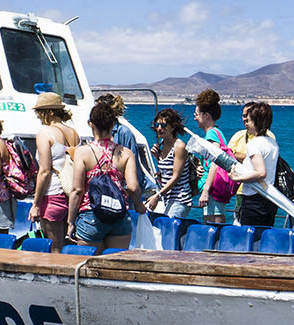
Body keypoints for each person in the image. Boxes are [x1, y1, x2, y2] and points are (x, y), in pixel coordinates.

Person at [67, 99, 141, 251]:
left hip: (91, 215)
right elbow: (133, 187)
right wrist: (139, 205)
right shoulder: (126, 154)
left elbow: (77, 190)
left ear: (90, 124)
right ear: (113, 124)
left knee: (89, 268)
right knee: (116, 267)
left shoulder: (82, 152)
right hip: (118, 215)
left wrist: (70, 221)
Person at [29, 90, 80, 249]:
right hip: (71, 195)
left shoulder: (45, 134)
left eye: (40, 112)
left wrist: (36, 204)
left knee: (54, 249)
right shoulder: (74, 133)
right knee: (67, 245)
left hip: (52, 195)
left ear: (49, 112)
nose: (38, 116)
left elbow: (44, 171)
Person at [229, 100, 281, 228]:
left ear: (256, 123)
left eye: (250, 120)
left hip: (253, 198)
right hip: (269, 198)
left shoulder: (254, 144)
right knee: (264, 234)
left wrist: (237, 178)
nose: (246, 122)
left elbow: (261, 173)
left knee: (249, 235)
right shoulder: (272, 143)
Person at [141, 108, 197, 218]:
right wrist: (157, 158)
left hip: (180, 198)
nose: (159, 128)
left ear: (173, 126)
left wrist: (157, 196)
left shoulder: (179, 146)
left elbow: (175, 177)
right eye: (157, 125)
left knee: (169, 232)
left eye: (164, 125)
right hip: (168, 198)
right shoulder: (162, 144)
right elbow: (167, 171)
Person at [191, 88, 230, 224]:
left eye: (196, 114)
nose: (194, 117)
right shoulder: (217, 133)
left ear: (206, 116)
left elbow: (215, 162)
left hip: (213, 190)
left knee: (213, 226)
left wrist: (206, 190)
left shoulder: (212, 135)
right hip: (214, 189)